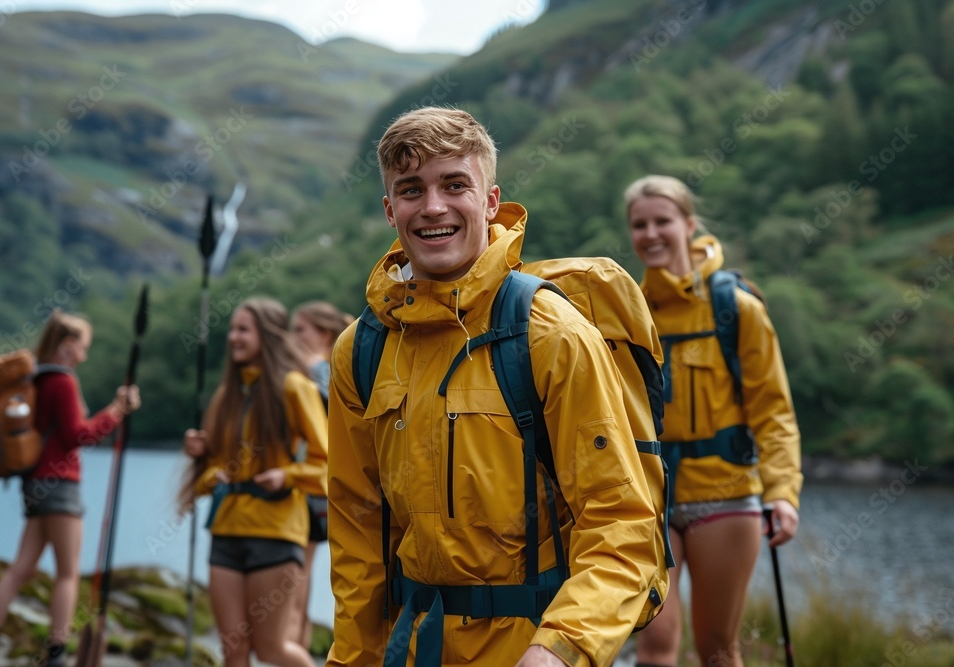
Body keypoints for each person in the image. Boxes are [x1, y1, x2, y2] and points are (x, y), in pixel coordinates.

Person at [325, 106, 662, 667]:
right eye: (411, 190)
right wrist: (351, 659)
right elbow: (357, 535)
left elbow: (622, 522)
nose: (433, 207)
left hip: (531, 650)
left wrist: (560, 647)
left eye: (454, 184)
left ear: (489, 200)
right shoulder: (360, 350)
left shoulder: (549, 333)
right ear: (390, 210)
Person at [624, 175, 802, 667]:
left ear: (688, 224)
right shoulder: (628, 314)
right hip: (651, 500)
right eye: (640, 224)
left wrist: (782, 492)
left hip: (725, 496)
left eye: (663, 221)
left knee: (718, 650)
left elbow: (773, 411)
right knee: (654, 646)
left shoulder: (735, 308)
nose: (651, 233)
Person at [0, 310, 141, 667]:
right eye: (82, 347)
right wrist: (117, 411)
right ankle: (57, 654)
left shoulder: (34, 381)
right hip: (61, 485)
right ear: (66, 345)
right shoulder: (63, 382)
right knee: (67, 572)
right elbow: (79, 435)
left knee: (21, 569)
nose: (84, 355)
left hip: (34, 484)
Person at [179, 297, 327, 667]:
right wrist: (204, 461)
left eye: (244, 329)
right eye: (232, 329)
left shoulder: (295, 388)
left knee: (272, 649)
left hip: (276, 534)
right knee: (234, 650)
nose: (233, 338)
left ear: (268, 334)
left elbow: (329, 465)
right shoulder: (226, 396)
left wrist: (287, 476)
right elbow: (209, 473)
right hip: (226, 532)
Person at [286, 300, 353, 649]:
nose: (292, 337)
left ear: (323, 334)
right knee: (303, 578)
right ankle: (299, 648)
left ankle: (293, 648)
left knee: (298, 577)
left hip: (317, 486)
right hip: (317, 484)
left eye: (301, 330)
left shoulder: (322, 368)